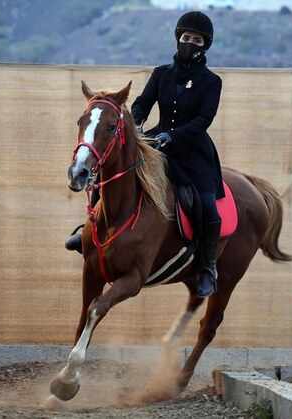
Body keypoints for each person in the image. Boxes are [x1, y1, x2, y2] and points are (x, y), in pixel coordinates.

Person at [130, 10, 224, 298]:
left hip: (194, 152)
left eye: (196, 40)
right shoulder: (161, 74)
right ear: (178, 39)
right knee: (118, 171)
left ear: (204, 45)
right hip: (158, 143)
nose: (189, 43)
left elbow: (203, 120)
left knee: (207, 205)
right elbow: (142, 103)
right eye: (186, 37)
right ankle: (88, 230)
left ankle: (208, 266)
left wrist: (173, 135)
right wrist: (136, 123)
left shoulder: (211, 81)